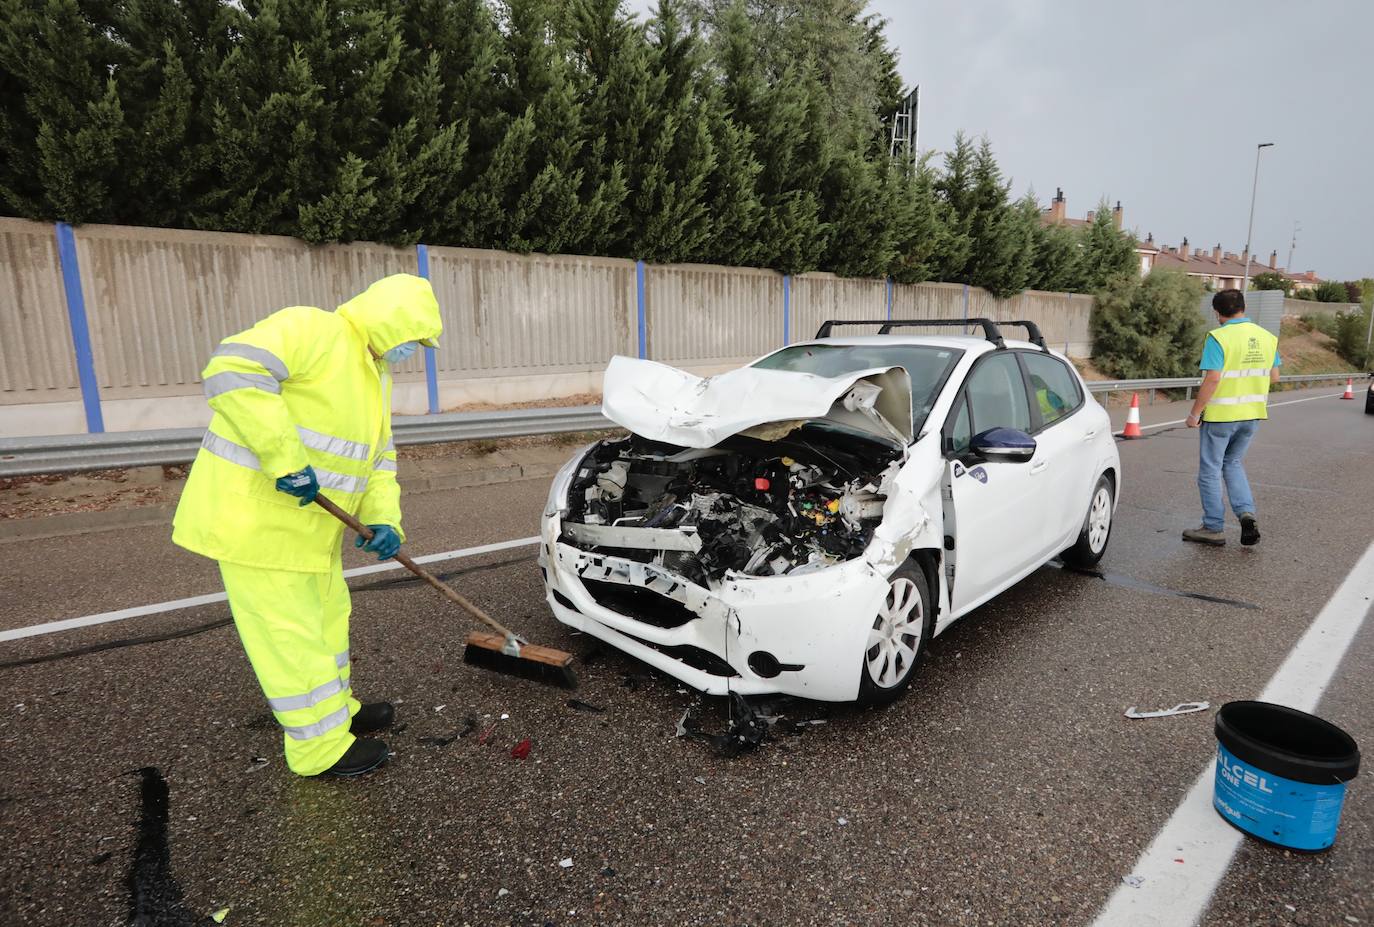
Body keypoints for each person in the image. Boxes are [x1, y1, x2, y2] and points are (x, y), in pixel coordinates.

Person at [172, 274, 442, 777]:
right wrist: (284, 458)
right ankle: (318, 749)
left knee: (327, 624)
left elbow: (378, 459)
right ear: (392, 320)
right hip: (255, 526)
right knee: (291, 638)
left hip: (313, 536)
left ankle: (337, 715)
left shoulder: (375, 373)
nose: (414, 350)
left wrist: (384, 520)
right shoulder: (312, 329)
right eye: (415, 338)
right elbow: (232, 367)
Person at [1182, 289, 1280, 547]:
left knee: (1210, 470)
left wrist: (1194, 414)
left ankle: (1213, 527)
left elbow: (1212, 378)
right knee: (1233, 463)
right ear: (1243, 308)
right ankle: (1246, 514)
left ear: (1217, 313)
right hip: (1252, 415)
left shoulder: (1218, 337)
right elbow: (1274, 376)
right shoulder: (1267, 337)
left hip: (1222, 416)